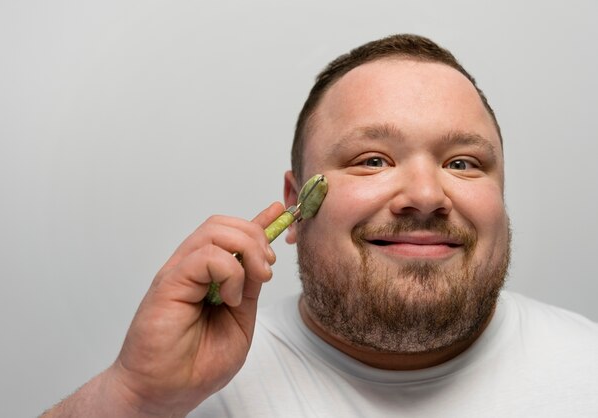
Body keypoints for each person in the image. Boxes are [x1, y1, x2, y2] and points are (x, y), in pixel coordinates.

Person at [41, 34, 598, 417]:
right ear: (296, 204)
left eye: (463, 163)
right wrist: (135, 398)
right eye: (372, 159)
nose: (426, 196)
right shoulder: (186, 388)